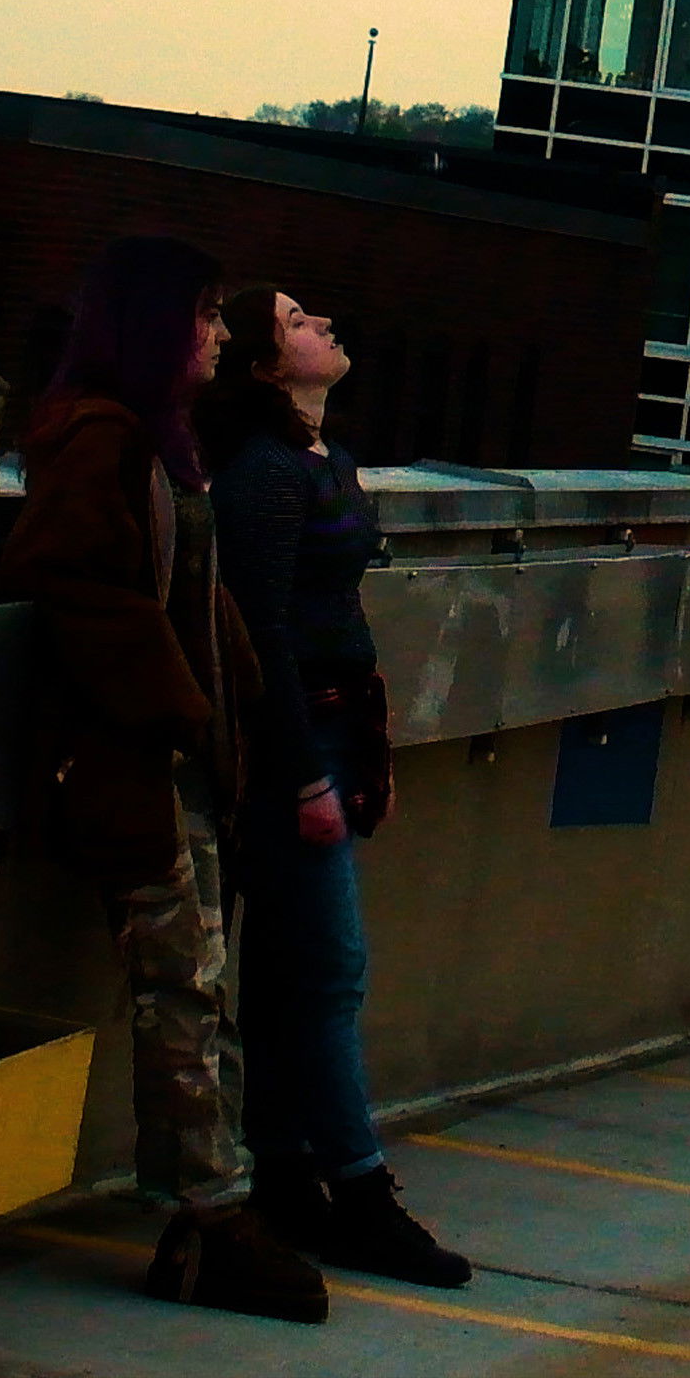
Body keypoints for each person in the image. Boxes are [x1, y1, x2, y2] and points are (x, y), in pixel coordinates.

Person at [0, 236, 329, 1324]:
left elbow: (182, 591)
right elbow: (72, 579)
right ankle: (210, 1215)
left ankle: (213, 1212)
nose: (220, 335)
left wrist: (220, 705)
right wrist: (180, 705)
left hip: (170, 761)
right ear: (154, 325)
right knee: (182, 987)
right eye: (205, 314)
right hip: (131, 766)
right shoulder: (102, 439)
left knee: (200, 986)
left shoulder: (151, 438)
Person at [201, 286, 473, 1287]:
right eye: (296, 322)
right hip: (291, 741)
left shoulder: (328, 460)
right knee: (327, 970)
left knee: (291, 971)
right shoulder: (266, 474)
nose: (321, 324)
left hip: (336, 727)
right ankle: (359, 1190)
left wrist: (361, 758)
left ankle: (284, 1174)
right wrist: (307, 772)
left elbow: (336, 611)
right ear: (268, 365)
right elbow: (261, 631)